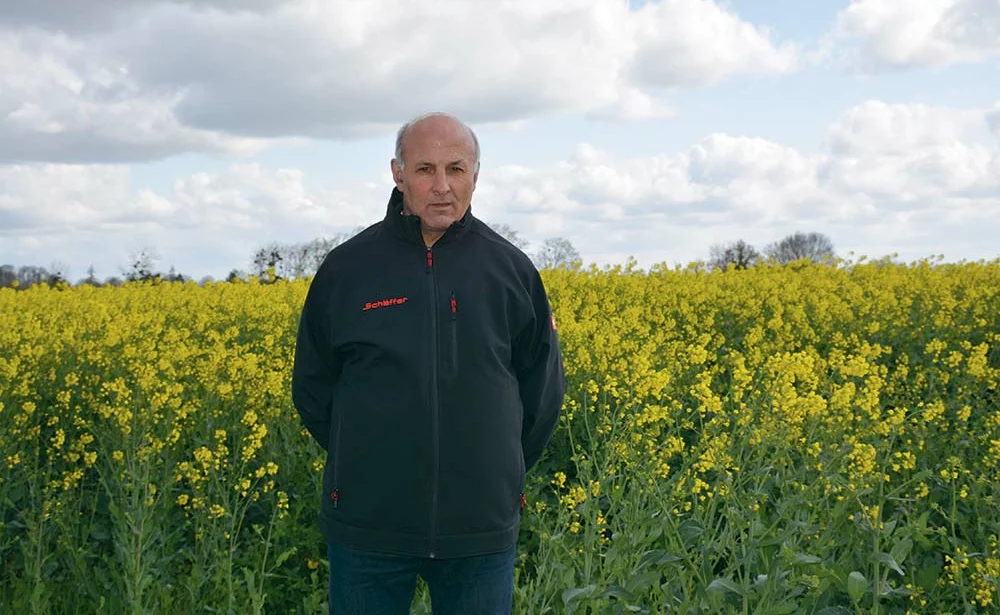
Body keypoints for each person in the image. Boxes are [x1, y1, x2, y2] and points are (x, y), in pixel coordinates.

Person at [291, 112, 566, 614]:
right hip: (368, 527)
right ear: (398, 174)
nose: (442, 187)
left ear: (476, 177)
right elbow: (313, 388)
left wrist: (495, 471)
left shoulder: (511, 271)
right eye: (425, 169)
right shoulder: (347, 270)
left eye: (456, 170)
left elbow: (542, 396)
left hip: (479, 529)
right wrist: (366, 456)